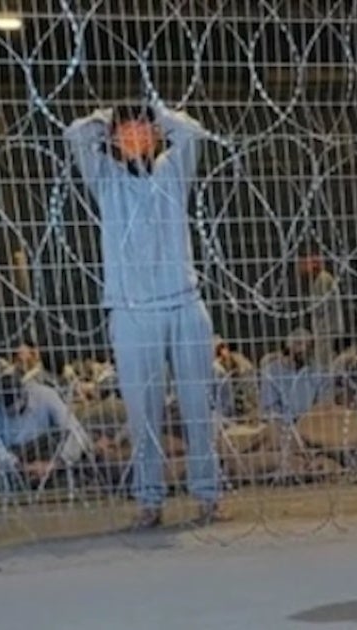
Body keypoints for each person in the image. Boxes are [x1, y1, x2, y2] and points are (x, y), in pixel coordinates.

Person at [64, 99, 224, 528]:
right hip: (133, 313)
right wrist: (106, 118)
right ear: (114, 140)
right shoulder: (107, 181)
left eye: (142, 128)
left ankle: (208, 496)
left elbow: (192, 131)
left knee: (197, 408)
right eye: (126, 130)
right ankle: (150, 500)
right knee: (142, 413)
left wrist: (157, 111)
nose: (135, 135)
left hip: (184, 304)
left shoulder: (173, 172)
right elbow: (75, 135)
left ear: (155, 135)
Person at [0, 371, 92, 483]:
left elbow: (77, 433)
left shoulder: (46, 396)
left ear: (23, 392)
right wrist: (19, 466)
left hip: (49, 450)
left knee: (73, 442)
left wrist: (55, 464)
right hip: (17, 457)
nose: (13, 410)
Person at [259, 329, 332, 425]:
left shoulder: (318, 371)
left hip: (312, 425)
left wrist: (309, 420)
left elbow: (324, 402)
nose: (304, 349)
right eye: (299, 344)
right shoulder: (272, 372)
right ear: (288, 346)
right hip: (281, 427)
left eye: (309, 345)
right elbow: (269, 408)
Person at [297, 244, 345, 371]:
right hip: (324, 329)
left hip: (326, 330)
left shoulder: (323, 279)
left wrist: (308, 306)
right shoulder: (320, 279)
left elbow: (319, 307)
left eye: (303, 263)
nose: (300, 268)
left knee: (323, 365)